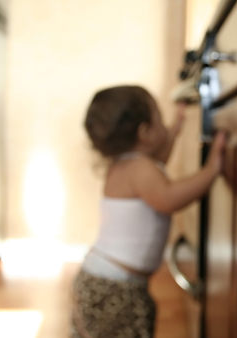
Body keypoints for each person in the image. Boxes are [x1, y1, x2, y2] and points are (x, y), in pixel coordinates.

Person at [71, 85, 225, 338]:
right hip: (115, 288)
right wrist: (211, 170)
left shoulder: (127, 166)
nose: (164, 125)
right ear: (145, 133)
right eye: (159, 118)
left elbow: (159, 162)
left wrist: (175, 129)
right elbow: (168, 197)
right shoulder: (140, 170)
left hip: (104, 280)